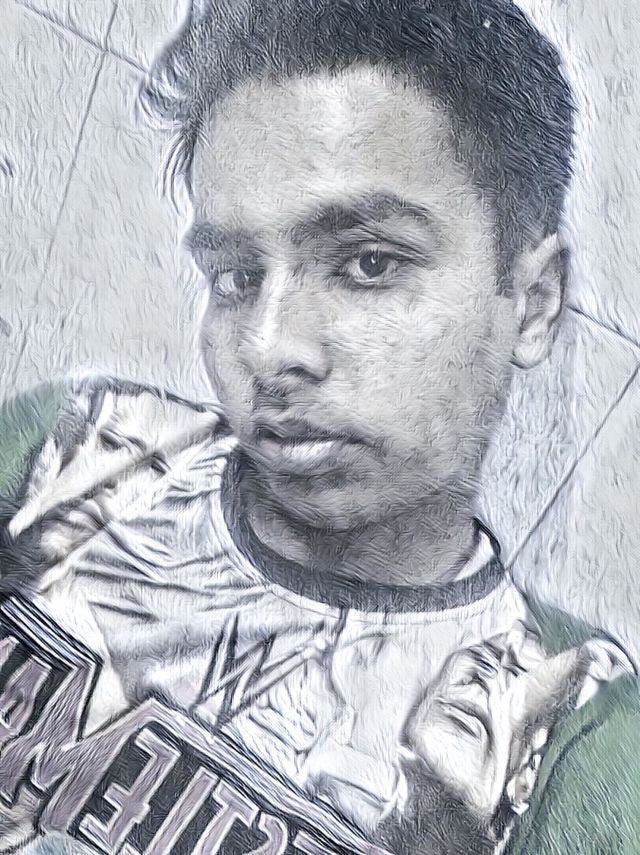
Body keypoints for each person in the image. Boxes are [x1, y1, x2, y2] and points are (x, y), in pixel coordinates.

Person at [0, 0, 638, 853]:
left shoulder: (559, 722)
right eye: (235, 276)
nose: (268, 348)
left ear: (532, 302)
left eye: (369, 263)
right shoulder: (74, 451)